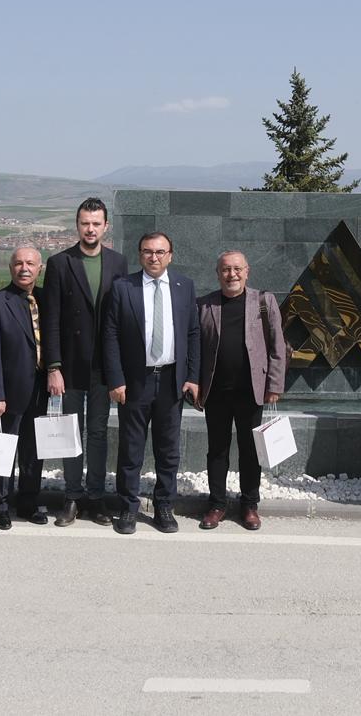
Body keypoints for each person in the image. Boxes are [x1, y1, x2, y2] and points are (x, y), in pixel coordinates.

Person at [102, 232, 201, 535]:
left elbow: (193, 333)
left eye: (160, 252)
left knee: (168, 449)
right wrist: (116, 379)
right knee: (131, 449)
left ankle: (164, 506)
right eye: (147, 251)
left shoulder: (184, 287)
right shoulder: (123, 287)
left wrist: (192, 377)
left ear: (170, 255)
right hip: (135, 381)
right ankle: (128, 508)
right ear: (140, 254)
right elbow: (110, 336)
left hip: (171, 379)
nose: (154, 257)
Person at [40, 197, 128, 527]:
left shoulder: (118, 263)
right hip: (71, 366)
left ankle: (95, 497)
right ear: (76, 225)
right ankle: (72, 497)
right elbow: (51, 320)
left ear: (106, 226)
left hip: (104, 366)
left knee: (99, 433)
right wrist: (54, 367)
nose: (90, 229)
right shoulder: (60, 262)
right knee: (71, 433)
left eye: (96, 223)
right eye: (84, 223)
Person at [195, 250, 288, 531]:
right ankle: (217, 504)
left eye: (237, 269)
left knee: (250, 450)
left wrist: (274, 385)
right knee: (217, 450)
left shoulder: (263, 301)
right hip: (216, 392)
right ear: (218, 273)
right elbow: (196, 349)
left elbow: (277, 346)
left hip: (252, 391)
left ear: (247, 271)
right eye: (225, 269)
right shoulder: (204, 304)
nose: (231, 274)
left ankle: (249, 504)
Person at [0, 247, 52, 530]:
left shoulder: (47, 300)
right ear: (10, 268)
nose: (24, 268)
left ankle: (29, 502)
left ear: (39, 268)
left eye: (30, 263)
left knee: (34, 451)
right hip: (7, 393)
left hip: (41, 389)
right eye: (18, 263)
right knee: (1, 450)